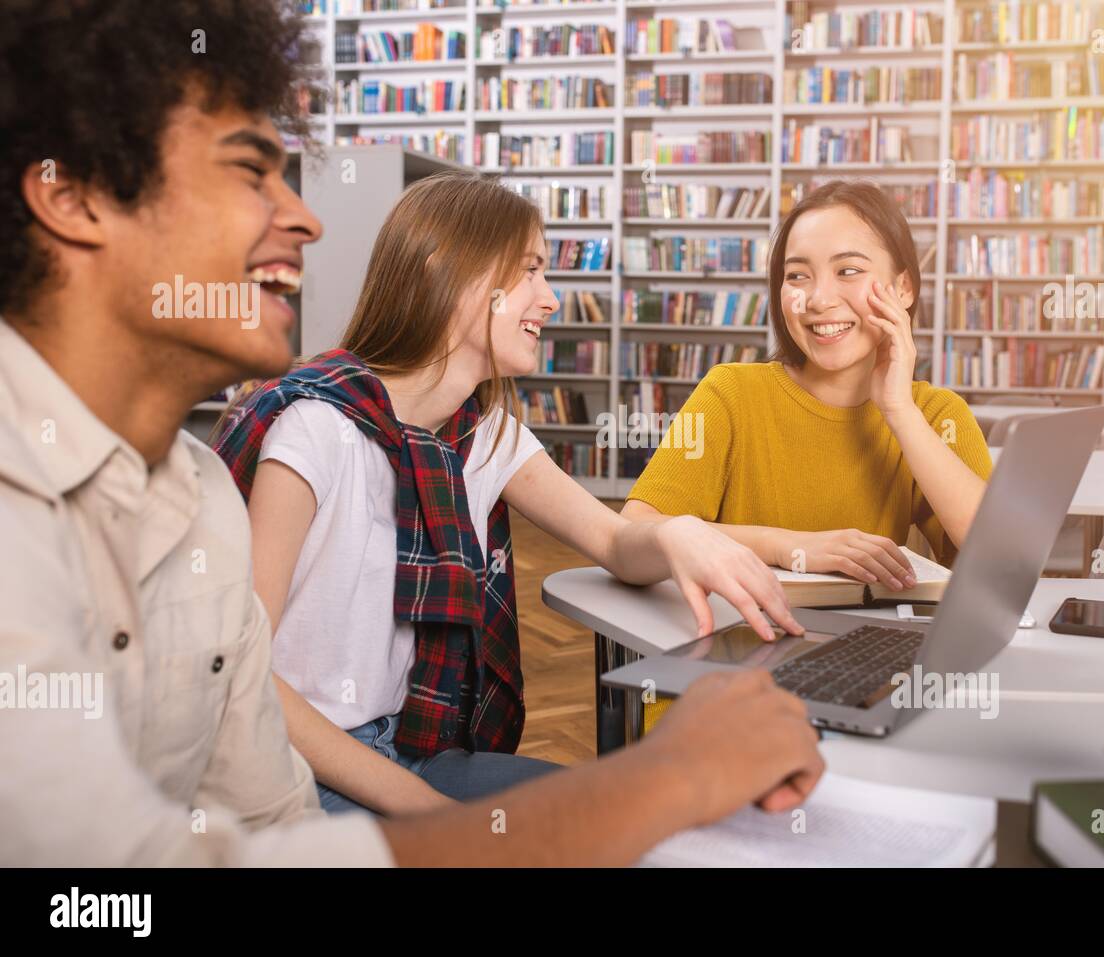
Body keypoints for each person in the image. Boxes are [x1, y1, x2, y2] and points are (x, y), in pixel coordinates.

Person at [0, 0, 824, 866]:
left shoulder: (203, 491)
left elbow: (261, 810)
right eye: (251, 171)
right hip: (355, 765)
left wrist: (696, 541)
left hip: (396, 754)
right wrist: (641, 783)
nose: (309, 219)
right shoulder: (311, 432)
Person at [211, 170, 805, 815]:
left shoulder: (486, 432)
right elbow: (242, 677)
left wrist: (678, 532)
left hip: (415, 749)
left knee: (629, 814)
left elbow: (612, 540)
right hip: (292, 768)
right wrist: (428, 810)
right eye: (529, 270)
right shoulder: (315, 430)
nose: (550, 299)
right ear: (449, 271)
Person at [623, 180, 992, 584]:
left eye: (848, 270)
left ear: (903, 288)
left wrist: (899, 411)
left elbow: (998, 559)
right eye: (797, 276)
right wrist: (787, 546)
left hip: (865, 641)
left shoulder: (936, 414)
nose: (817, 299)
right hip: (736, 637)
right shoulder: (729, 393)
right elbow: (632, 537)